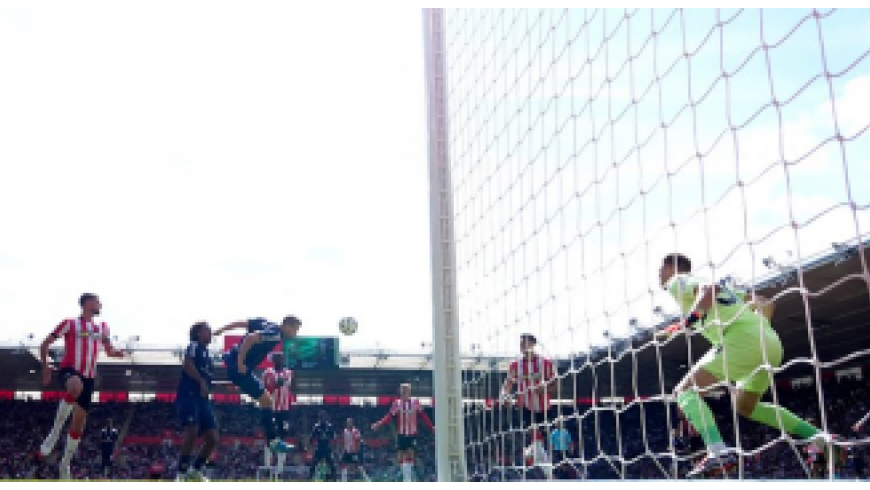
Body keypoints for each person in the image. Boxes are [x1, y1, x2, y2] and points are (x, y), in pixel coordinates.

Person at [657, 253, 832, 478]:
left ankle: (717, 452)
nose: (659, 275)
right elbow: (765, 302)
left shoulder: (677, 281)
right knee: (745, 406)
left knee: (684, 391)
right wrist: (761, 329)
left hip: (742, 342)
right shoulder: (726, 293)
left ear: (671, 267)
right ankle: (820, 438)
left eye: (660, 269)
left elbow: (711, 289)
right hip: (770, 344)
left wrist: (689, 321)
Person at [36, 293, 126, 480]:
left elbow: (109, 351)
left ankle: (65, 464)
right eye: (97, 301)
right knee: (75, 386)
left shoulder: (102, 327)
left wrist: (118, 353)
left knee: (78, 424)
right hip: (69, 370)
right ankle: (53, 434)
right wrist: (45, 366)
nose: (100, 304)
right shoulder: (69, 323)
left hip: (89, 377)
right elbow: (45, 344)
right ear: (86, 303)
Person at [221, 316, 301, 455]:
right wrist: (240, 363)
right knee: (267, 401)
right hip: (238, 367)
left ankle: (274, 441)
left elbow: (242, 322)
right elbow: (250, 338)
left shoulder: (267, 323)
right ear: (287, 326)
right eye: (295, 330)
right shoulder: (275, 335)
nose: (296, 334)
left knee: (265, 399)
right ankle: (273, 441)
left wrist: (220, 330)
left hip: (233, 360)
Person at [500, 333, 556, 479]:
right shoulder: (515, 365)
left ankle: (529, 453)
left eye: (524, 343)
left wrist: (543, 389)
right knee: (537, 441)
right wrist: (504, 395)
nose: (521, 346)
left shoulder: (546, 363)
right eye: (520, 343)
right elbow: (508, 384)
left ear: (532, 344)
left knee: (537, 446)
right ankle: (551, 477)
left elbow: (555, 386)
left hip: (544, 409)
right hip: (525, 408)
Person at [175, 322, 218, 482]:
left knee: (212, 438)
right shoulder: (193, 346)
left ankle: (196, 470)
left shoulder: (208, 354)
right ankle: (181, 473)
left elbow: (208, 382)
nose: (210, 332)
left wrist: (224, 385)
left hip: (203, 400)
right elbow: (187, 364)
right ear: (198, 333)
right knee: (192, 432)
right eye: (207, 330)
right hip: (189, 395)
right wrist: (200, 381)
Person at [371, 383, 435, 483]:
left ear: (409, 391)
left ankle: (409, 478)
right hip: (401, 434)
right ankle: (406, 477)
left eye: (406, 390)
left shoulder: (415, 402)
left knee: (410, 454)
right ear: (400, 392)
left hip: (412, 433)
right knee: (400, 456)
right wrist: (378, 424)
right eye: (402, 390)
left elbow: (423, 416)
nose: (404, 391)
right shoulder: (397, 403)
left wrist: (431, 427)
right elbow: (389, 416)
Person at [262, 352, 294, 480]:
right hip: (271, 409)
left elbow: (286, 385)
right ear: (273, 360)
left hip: (284, 410)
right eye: (278, 358)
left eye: (282, 357)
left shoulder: (289, 372)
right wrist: (276, 384)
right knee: (270, 438)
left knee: (283, 438)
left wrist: (277, 383)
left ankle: (280, 471)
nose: (280, 360)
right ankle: (268, 468)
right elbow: (267, 387)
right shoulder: (267, 372)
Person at [309, 410, 338, 482]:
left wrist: (334, 447)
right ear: (319, 417)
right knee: (313, 464)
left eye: (323, 416)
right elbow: (311, 438)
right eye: (321, 416)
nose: (322, 418)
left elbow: (334, 437)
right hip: (319, 448)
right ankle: (310, 478)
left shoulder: (329, 426)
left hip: (327, 448)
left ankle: (334, 479)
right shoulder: (316, 426)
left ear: (326, 417)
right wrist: (310, 447)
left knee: (332, 465)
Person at [340, 417, 370, 482]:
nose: (348, 423)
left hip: (353, 452)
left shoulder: (356, 431)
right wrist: (344, 449)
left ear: (352, 423)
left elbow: (358, 441)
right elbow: (344, 441)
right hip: (346, 451)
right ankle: (343, 480)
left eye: (350, 422)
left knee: (358, 466)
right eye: (347, 422)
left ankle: (367, 479)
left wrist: (357, 450)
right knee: (343, 465)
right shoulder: (345, 431)